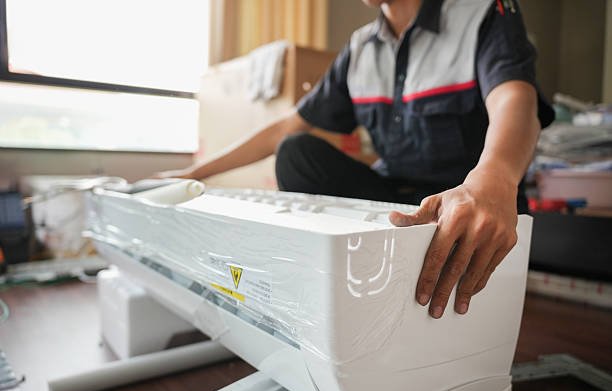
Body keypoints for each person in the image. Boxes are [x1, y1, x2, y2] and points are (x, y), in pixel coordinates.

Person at [157, 0, 554, 319]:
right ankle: (341, 296)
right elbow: (285, 129)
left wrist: (494, 178)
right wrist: (193, 174)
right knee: (296, 153)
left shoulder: (482, 12)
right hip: (395, 202)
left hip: (464, 202)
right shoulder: (361, 47)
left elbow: (515, 100)